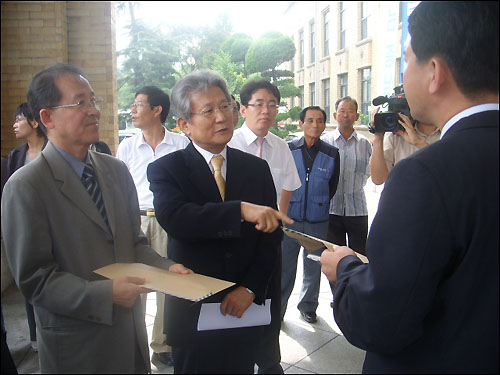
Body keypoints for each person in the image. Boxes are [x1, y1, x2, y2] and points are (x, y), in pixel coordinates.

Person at [320, 2, 498, 373]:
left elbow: (380, 321)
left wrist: (346, 270)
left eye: (407, 60)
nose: (404, 74)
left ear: (434, 72)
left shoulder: (426, 174)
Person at [1, 63, 192, 374]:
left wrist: (166, 267)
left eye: (93, 101)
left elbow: (134, 243)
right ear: (47, 117)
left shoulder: (115, 170)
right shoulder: (26, 186)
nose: (94, 111)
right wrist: (106, 294)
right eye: (80, 103)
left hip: (129, 339)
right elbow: (35, 279)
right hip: (78, 347)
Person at [147, 70, 293, 374]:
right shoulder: (167, 169)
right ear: (184, 124)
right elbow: (177, 219)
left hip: (244, 309)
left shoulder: (255, 168)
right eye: (208, 110)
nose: (221, 117)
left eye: (225, 106)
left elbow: (271, 236)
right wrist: (239, 210)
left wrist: (250, 288)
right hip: (194, 308)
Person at [229, 78, 301, 374]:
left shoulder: (280, 146)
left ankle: (270, 363)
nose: (266, 111)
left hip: (270, 240)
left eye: (272, 104)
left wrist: (277, 225)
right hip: (235, 238)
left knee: (269, 303)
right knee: (235, 303)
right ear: (243, 109)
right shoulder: (229, 143)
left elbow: (288, 186)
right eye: (259, 104)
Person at [116, 85, 189, 367]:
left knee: (167, 284)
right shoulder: (127, 146)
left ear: (157, 110)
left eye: (138, 105)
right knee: (136, 285)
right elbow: (119, 188)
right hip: (135, 220)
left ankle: (162, 344)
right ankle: (133, 341)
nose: (133, 110)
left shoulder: (181, 144)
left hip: (168, 221)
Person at [281, 106, 340, 324]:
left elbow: (332, 186)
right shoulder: (287, 149)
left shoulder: (332, 153)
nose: (315, 125)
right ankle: (278, 310)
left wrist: (318, 202)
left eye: (320, 121)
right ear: (301, 124)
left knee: (314, 266)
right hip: (290, 219)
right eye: (310, 120)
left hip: (318, 219)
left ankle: (308, 306)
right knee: (285, 267)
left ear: (325, 124)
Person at [6, 102, 48, 353]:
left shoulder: (51, 150)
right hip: (25, 223)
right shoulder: (16, 155)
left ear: (35, 122)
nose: (14, 124)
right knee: (28, 280)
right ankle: (35, 337)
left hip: (49, 221)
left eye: (19, 119)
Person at [321, 97, 372, 257]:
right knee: (334, 256)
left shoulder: (365, 144)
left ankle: (356, 283)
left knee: (360, 256)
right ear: (335, 115)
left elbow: (372, 172)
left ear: (356, 116)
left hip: (357, 209)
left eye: (350, 111)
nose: (346, 115)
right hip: (331, 210)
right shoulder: (325, 142)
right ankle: (339, 284)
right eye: (342, 111)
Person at [369, 109, 440, 185]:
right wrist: (378, 138)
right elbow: (378, 179)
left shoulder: (448, 134)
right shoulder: (396, 135)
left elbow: (450, 172)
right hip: (402, 195)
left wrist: (419, 143)